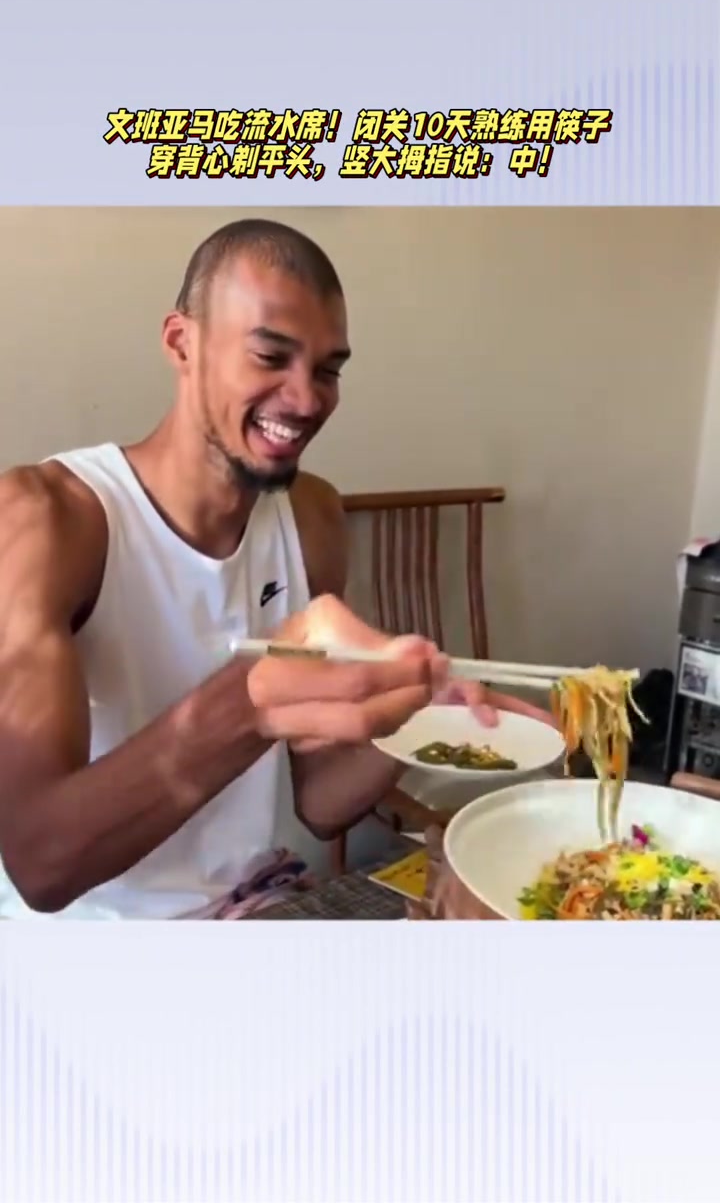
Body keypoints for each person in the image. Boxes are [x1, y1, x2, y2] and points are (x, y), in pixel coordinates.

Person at [0, 219, 551, 920]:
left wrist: (413, 720)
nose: (307, 399)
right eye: (270, 357)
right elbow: (40, 864)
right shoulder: (46, 518)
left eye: (328, 370)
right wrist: (252, 700)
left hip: (253, 908)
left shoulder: (311, 515)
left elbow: (319, 800)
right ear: (182, 342)